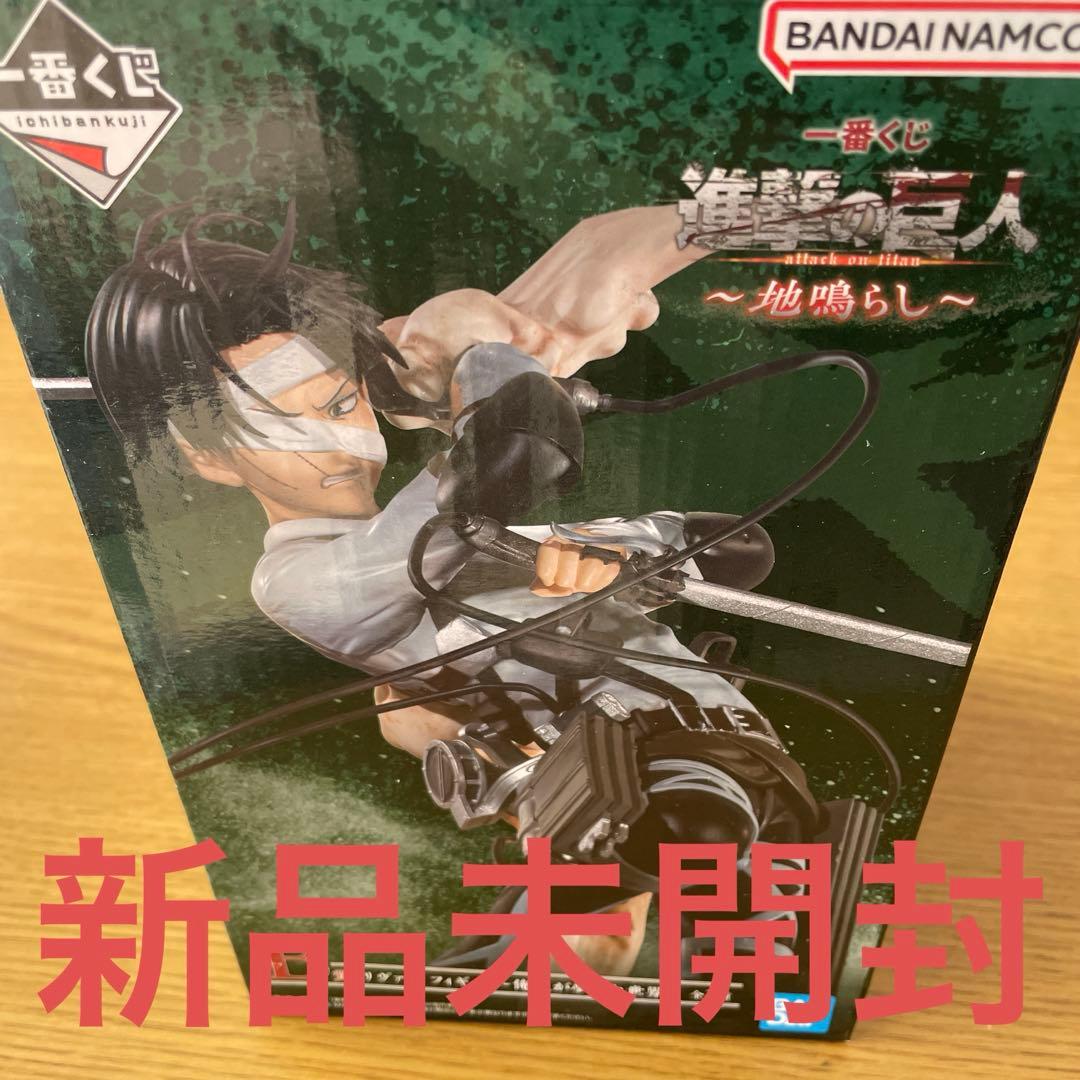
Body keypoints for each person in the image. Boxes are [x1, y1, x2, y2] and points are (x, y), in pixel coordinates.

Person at [86, 201, 800, 975]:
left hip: (734, 746)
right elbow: (513, 452)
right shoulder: (298, 581)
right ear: (205, 454)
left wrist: (620, 564)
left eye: (340, 403)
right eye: (282, 425)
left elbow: (734, 546)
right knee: (624, 905)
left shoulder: (486, 541)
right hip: (639, 782)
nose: (336, 441)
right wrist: (479, 350)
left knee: (716, 918)